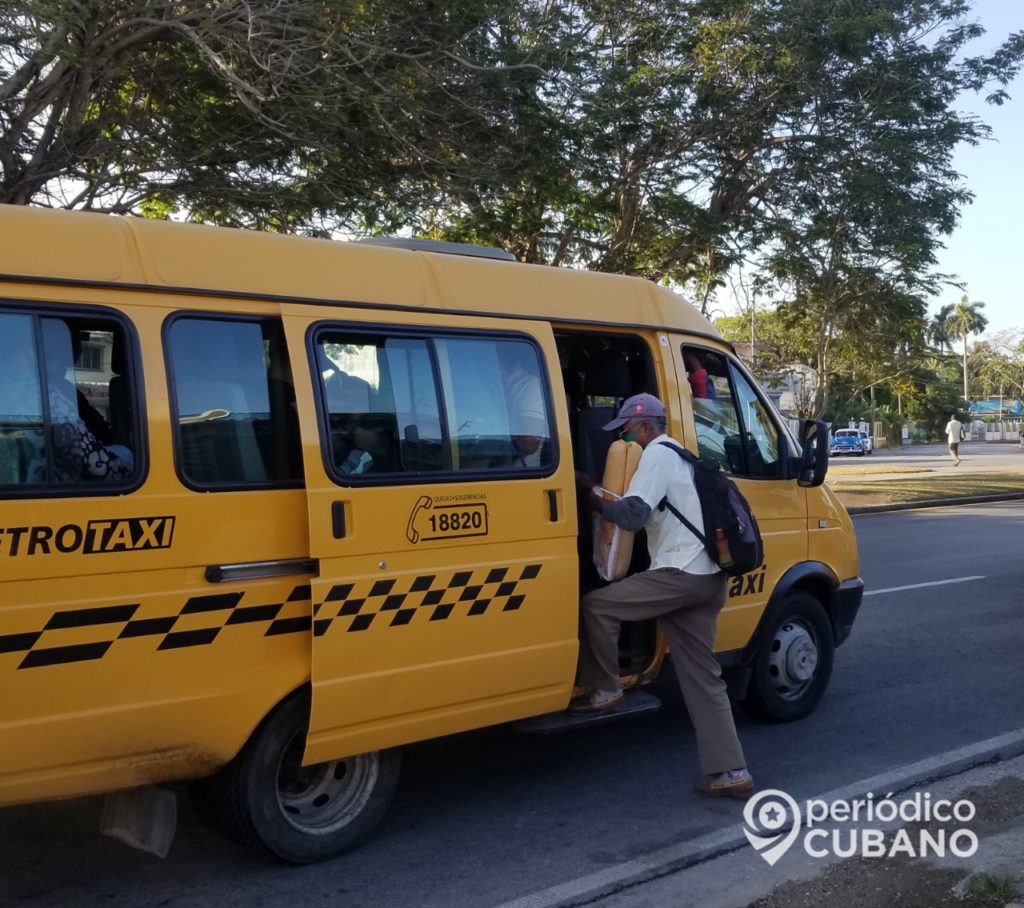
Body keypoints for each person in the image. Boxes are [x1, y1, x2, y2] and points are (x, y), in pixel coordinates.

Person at [572, 392, 753, 798]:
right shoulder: (684, 455)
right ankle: (731, 772)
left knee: (597, 605)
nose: (624, 439)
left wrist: (593, 495)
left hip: (680, 574)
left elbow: (634, 516)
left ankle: (606, 688)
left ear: (644, 426)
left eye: (626, 430)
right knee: (704, 680)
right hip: (708, 580)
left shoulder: (656, 454)